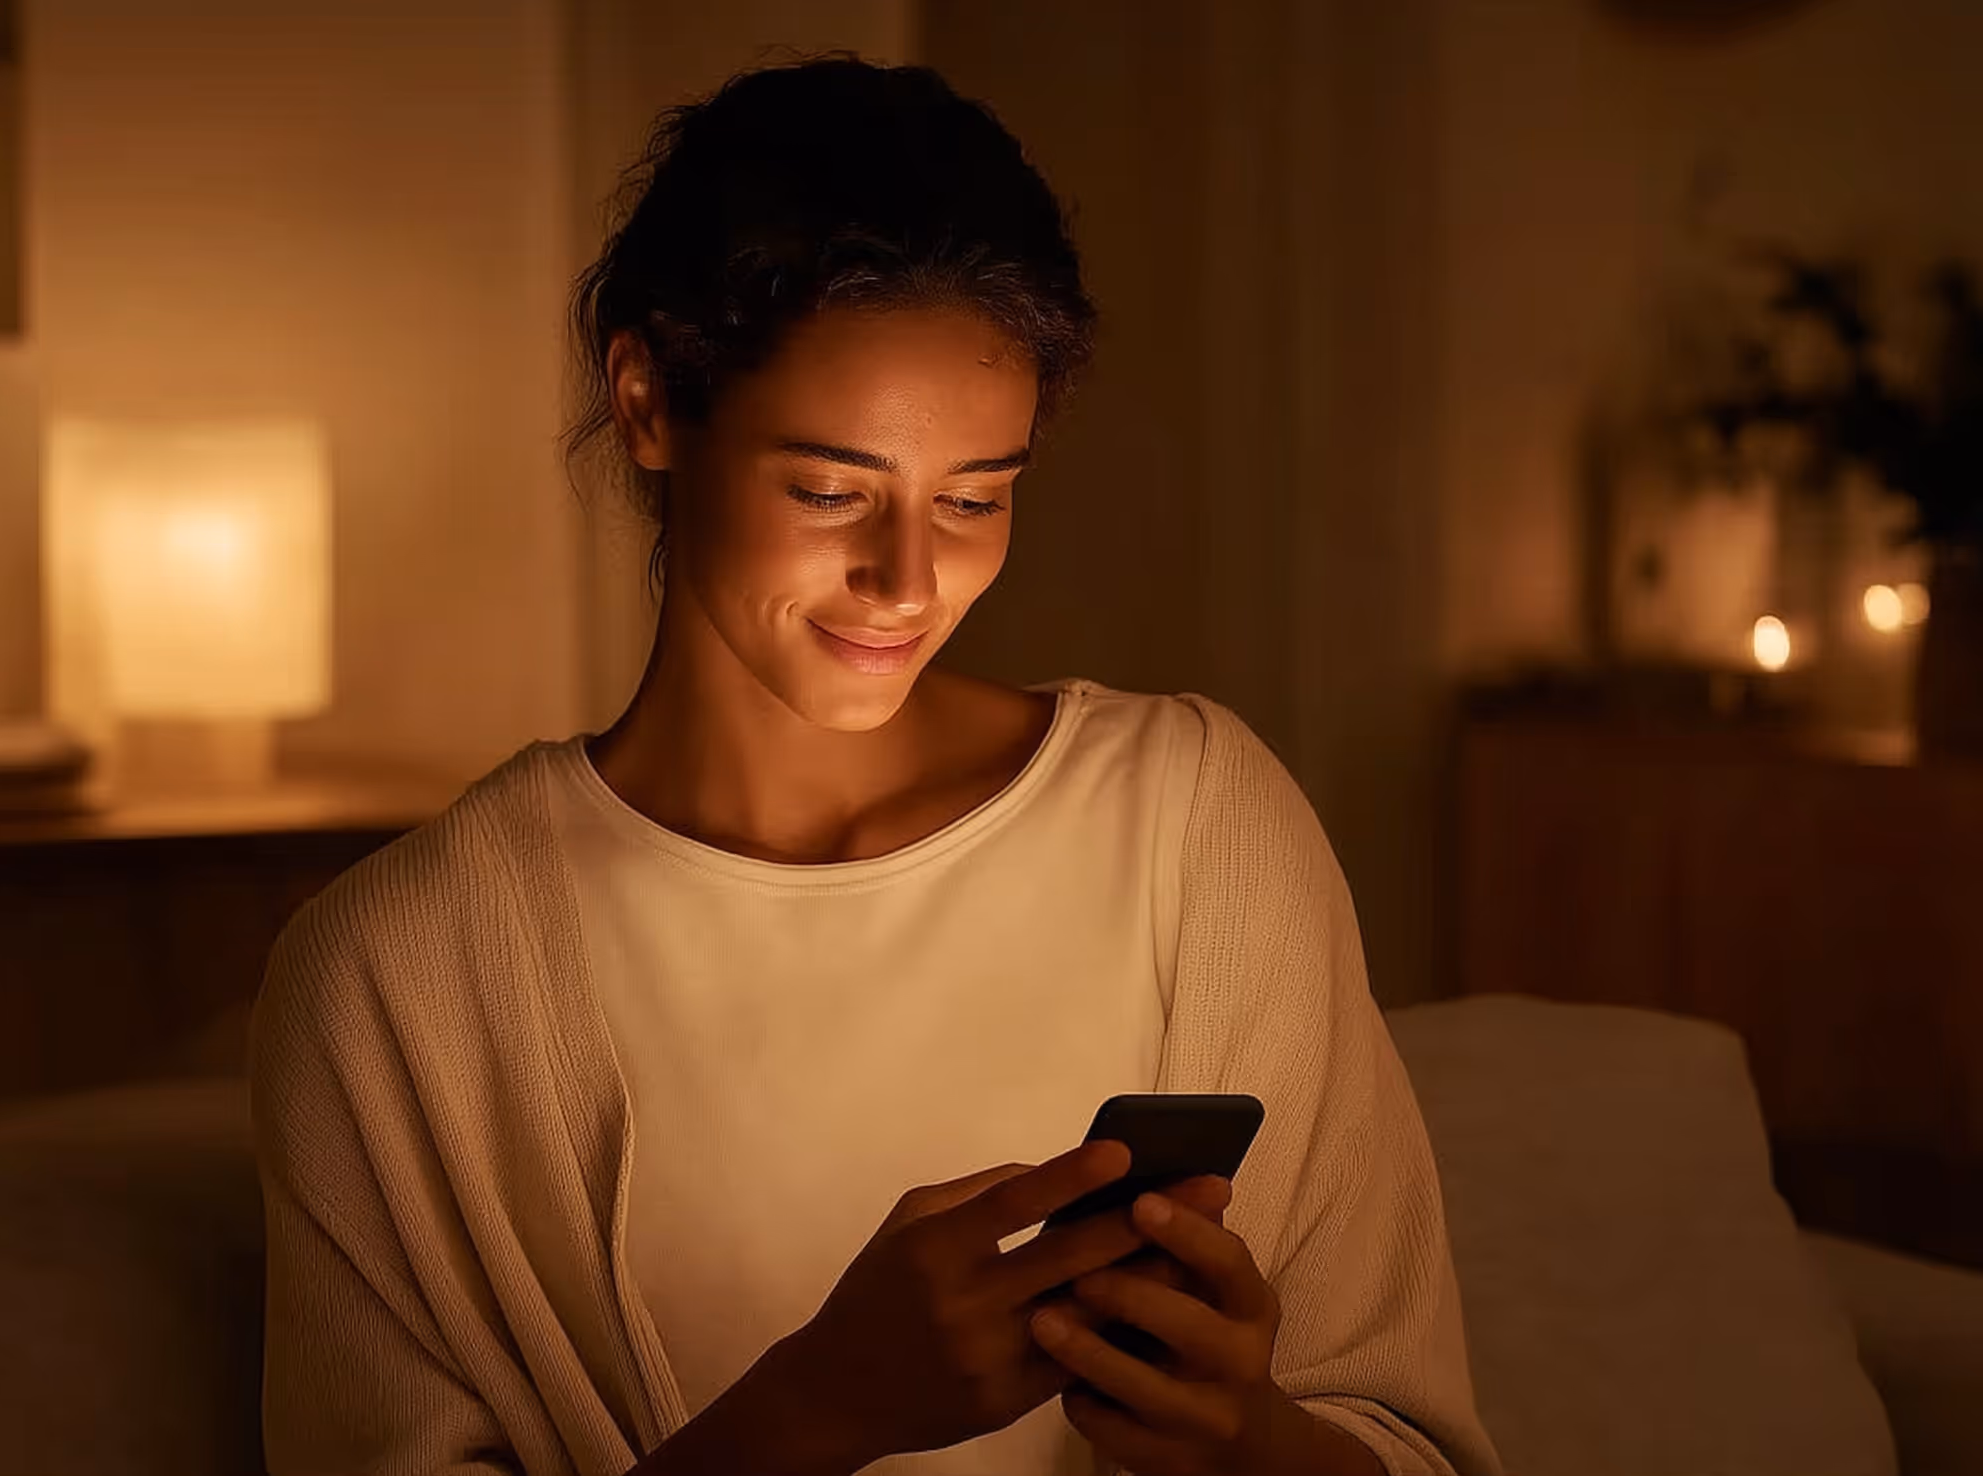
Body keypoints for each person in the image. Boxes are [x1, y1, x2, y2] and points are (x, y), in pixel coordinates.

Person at [249, 55, 1503, 1476]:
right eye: (831, 490)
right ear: (650, 399)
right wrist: (818, 1415)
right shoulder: (392, 982)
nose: (907, 579)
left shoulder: (1199, 827)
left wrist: (1252, 1440)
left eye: (974, 498)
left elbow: (1412, 1441)